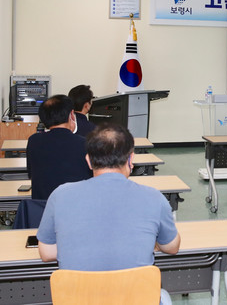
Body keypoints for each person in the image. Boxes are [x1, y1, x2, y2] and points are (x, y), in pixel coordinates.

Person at [37, 123, 180, 304]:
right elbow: (172, 247)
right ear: (131, 159)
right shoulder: (154, 197)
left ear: (88, 160)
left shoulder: (60, 195)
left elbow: (47, 253)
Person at [27, 95, 92, 201]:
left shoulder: (34, 141)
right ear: (71, 114)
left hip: (43, 210)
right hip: (76, 210)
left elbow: (30, 174)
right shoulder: (85, 143)